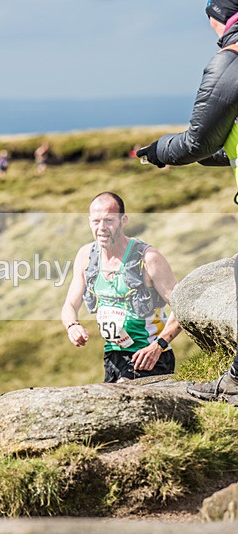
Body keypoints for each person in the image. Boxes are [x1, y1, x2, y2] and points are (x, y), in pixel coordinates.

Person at [136, 0, 238, 403]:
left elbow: (199, 141)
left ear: (218, 20)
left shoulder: (229, 61)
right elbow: (226, 146)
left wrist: (162, 150)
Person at [61, 192, 182, 383]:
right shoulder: (86, 256)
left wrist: (158, 345)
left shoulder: (148, 258)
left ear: (123, 220)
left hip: (150, 355)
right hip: (113, 356)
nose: (101, 228)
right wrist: (72, 326)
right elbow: (69, 304)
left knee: (123, 392)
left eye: (109, 221)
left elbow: (182, 308)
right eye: (96, 221)